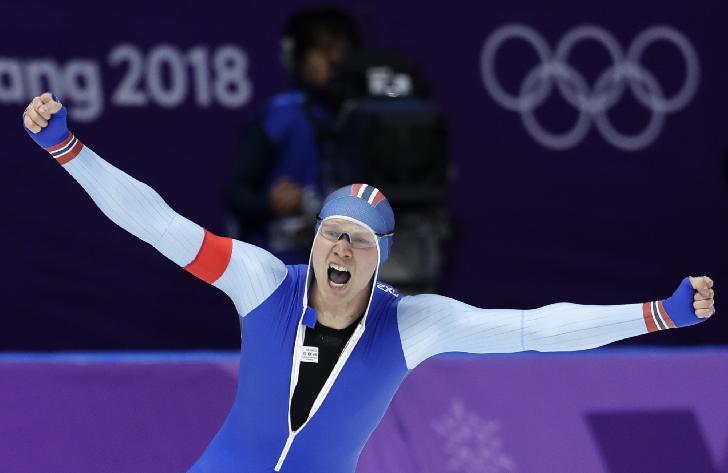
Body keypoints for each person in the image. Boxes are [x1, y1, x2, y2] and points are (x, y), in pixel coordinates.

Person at [23, 93, 716, 472]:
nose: (341, 248)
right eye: (332, 232)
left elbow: (537, 328)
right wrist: (68, 151)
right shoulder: (264, 282)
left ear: (380, 257)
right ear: (315, 235)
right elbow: (159, 224)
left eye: (357, 241)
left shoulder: (412, 324)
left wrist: (657, 313)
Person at [224, 6, 361, 264]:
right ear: (296, 56)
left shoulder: (362, 117)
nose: (335, 61)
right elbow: (236, 193)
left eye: (343, 52)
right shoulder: (281, 115)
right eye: (323, 51)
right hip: (283, 268)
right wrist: (269, 203)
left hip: (346, 270)